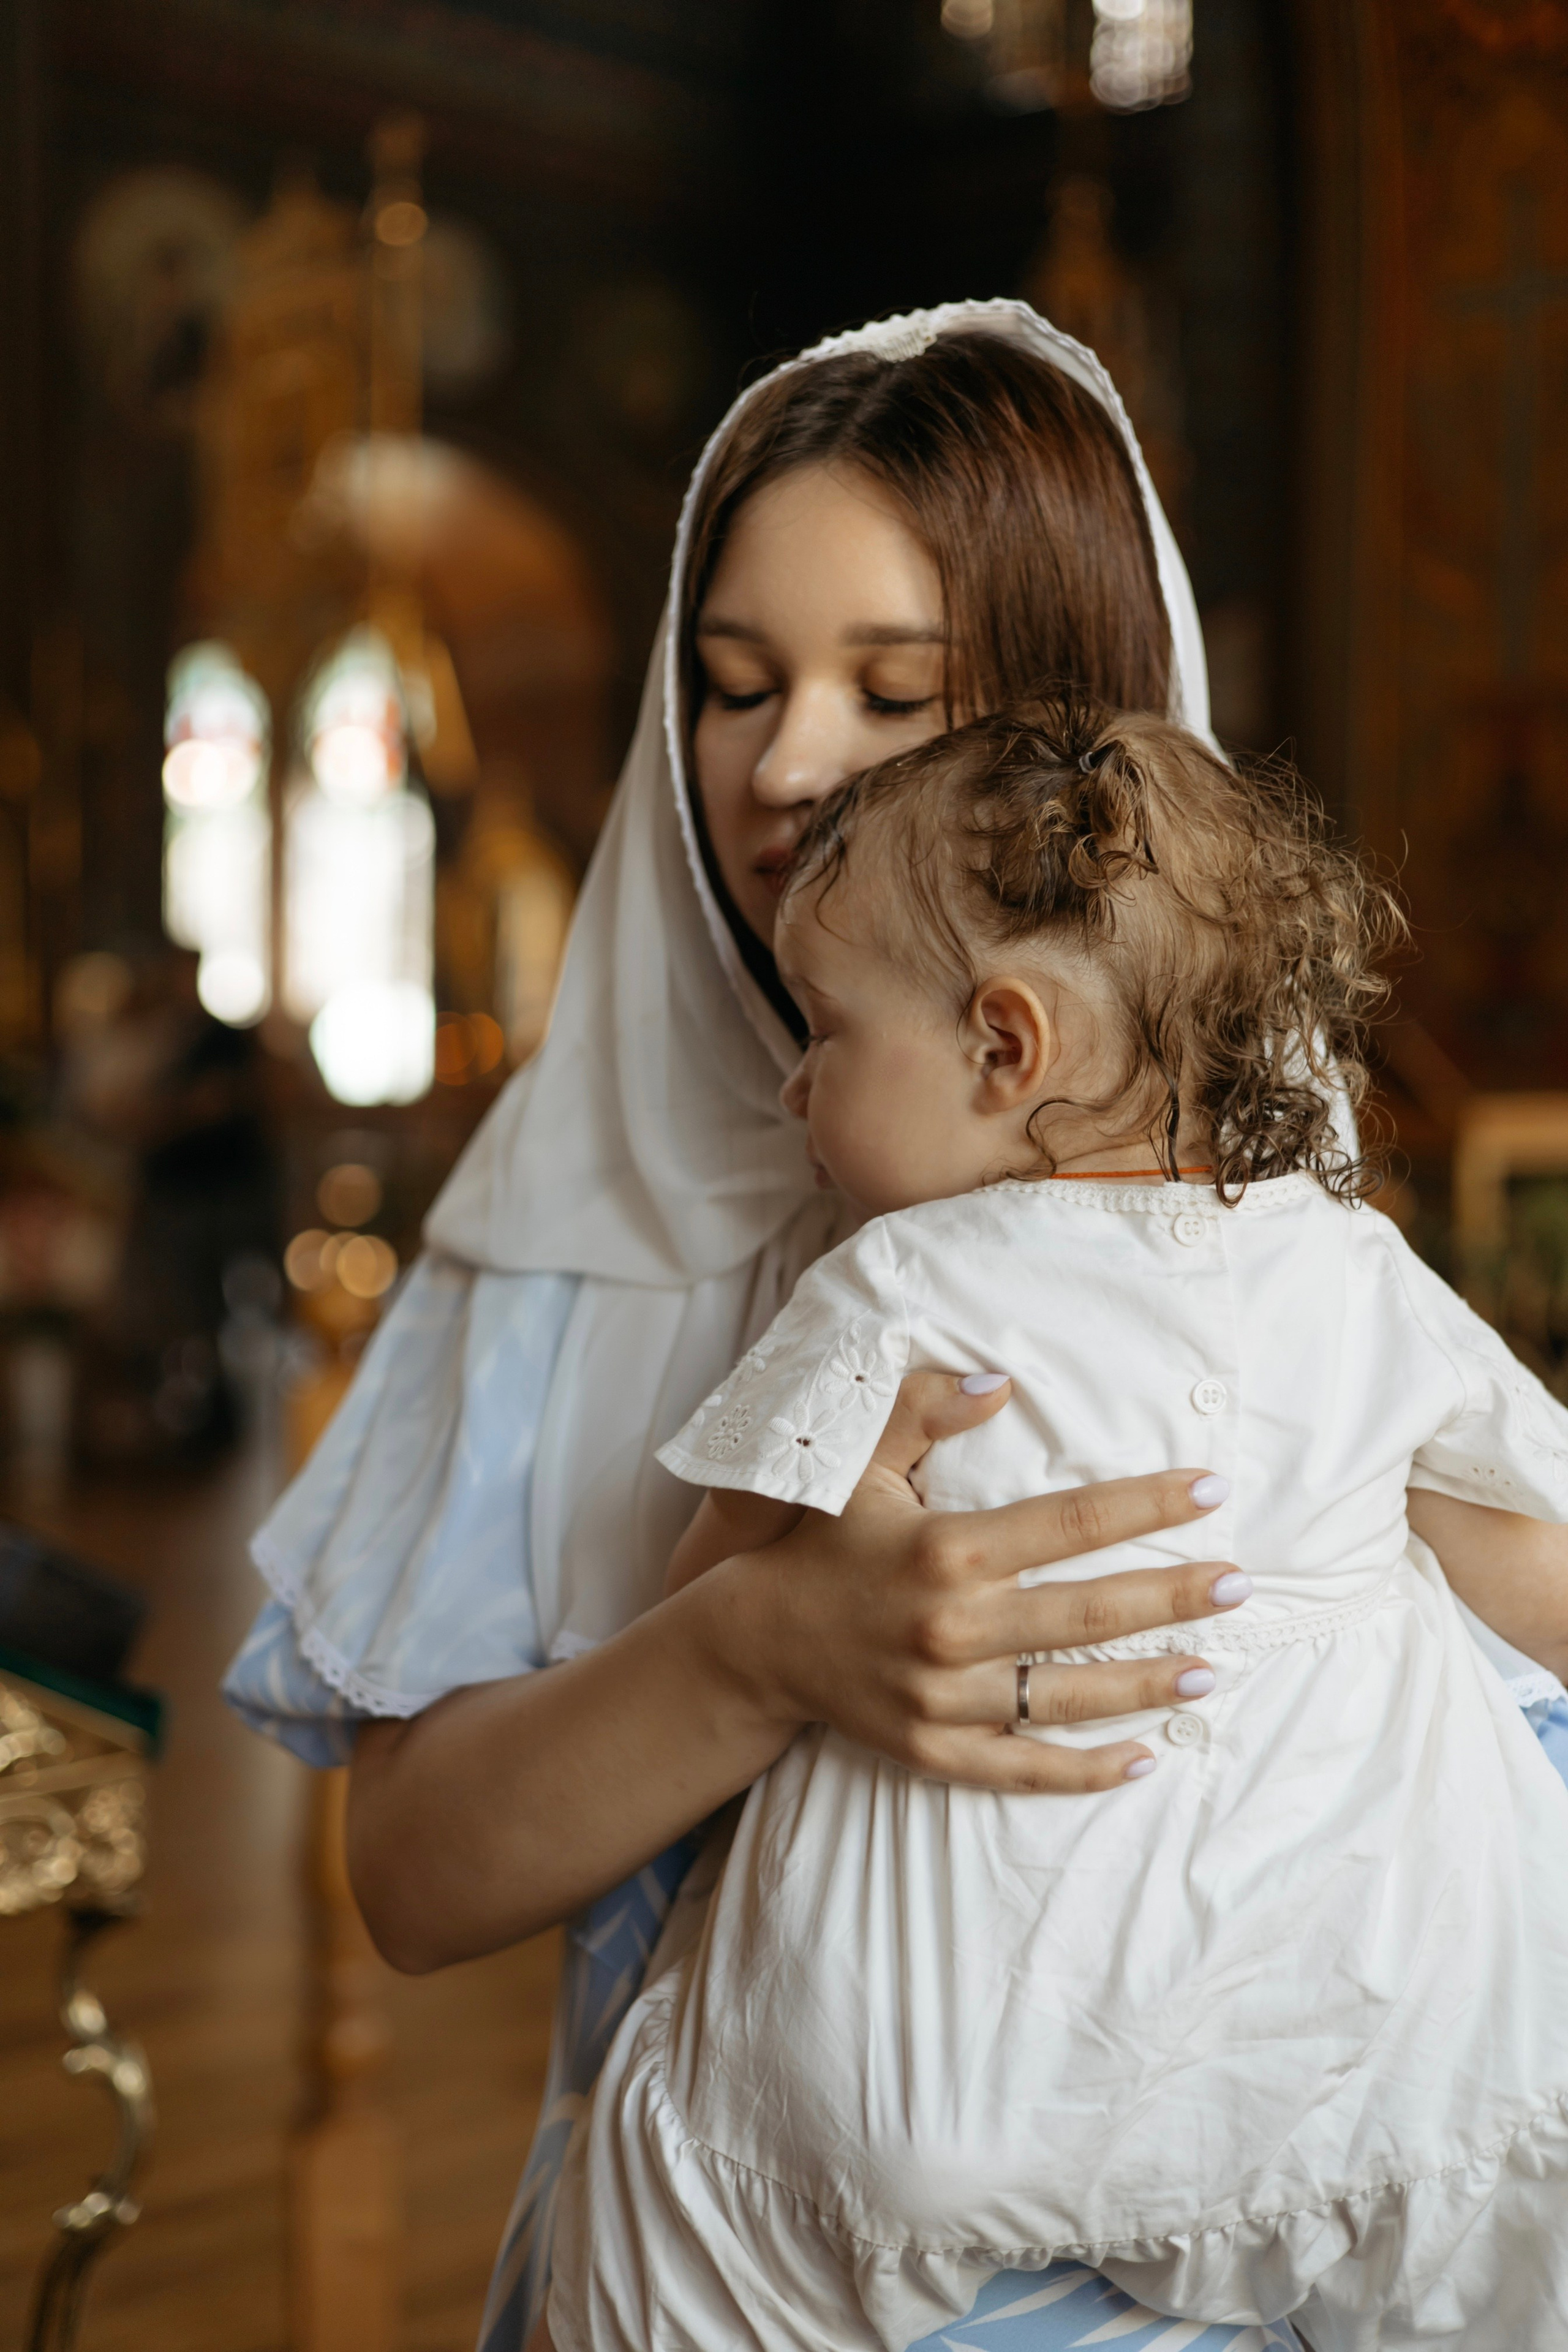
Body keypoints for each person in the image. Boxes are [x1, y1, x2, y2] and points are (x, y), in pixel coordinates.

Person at [224, 303, 1565, 2352]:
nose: (784, 765)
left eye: (894, 688)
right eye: (733, 684)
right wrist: (760, 1646)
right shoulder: (574, 1219)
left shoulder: (1262, 1244)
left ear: (1078, 750)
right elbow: (413, 1880)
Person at [545, 699, 1568, 2351]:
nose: (797, 1084)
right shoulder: (1348, 1265)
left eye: (823, 1029)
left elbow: (712, 1593)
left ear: (1000, 1048)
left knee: (672, 2179)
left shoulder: (896, 1285)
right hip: (1370, 2052)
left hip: (952, 2069)